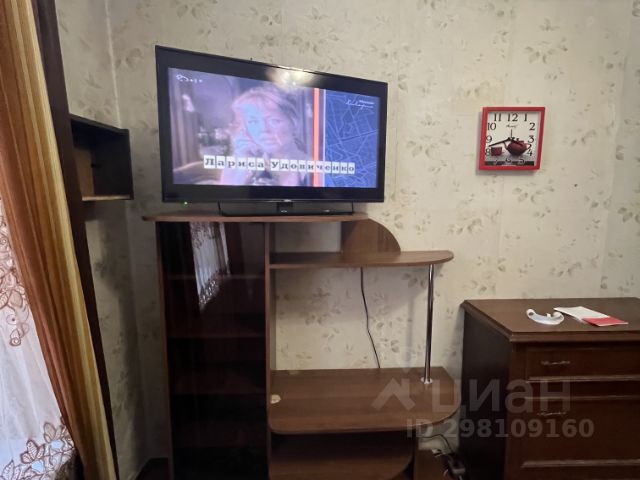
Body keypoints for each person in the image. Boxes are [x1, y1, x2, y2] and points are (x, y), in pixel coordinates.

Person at [221, 85, 312, 186]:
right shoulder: (243, 162)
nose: (263, 130)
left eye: (273, 121)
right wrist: (241, 161)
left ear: (293, 123)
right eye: (253, 122)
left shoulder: (311, 169)